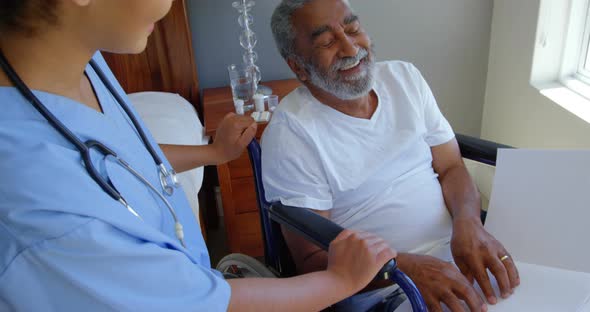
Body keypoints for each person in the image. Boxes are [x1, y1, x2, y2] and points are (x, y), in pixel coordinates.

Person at [0, 1, 398, 311]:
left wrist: (213, 153)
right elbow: (210, 304)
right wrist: (340, 281)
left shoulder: (76, 61)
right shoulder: (44, 212)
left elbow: (116, 159)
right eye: (327, 40)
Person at [262, 0, 520, 311]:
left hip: (462, 252)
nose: (349, 47)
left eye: (353, 29)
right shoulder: (291, 133)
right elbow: (312, 260)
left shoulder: (404, 78)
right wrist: (403, 269)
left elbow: (451, 167)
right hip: (386, 289)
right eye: (327, 42)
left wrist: (469, 222)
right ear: (298, 66)